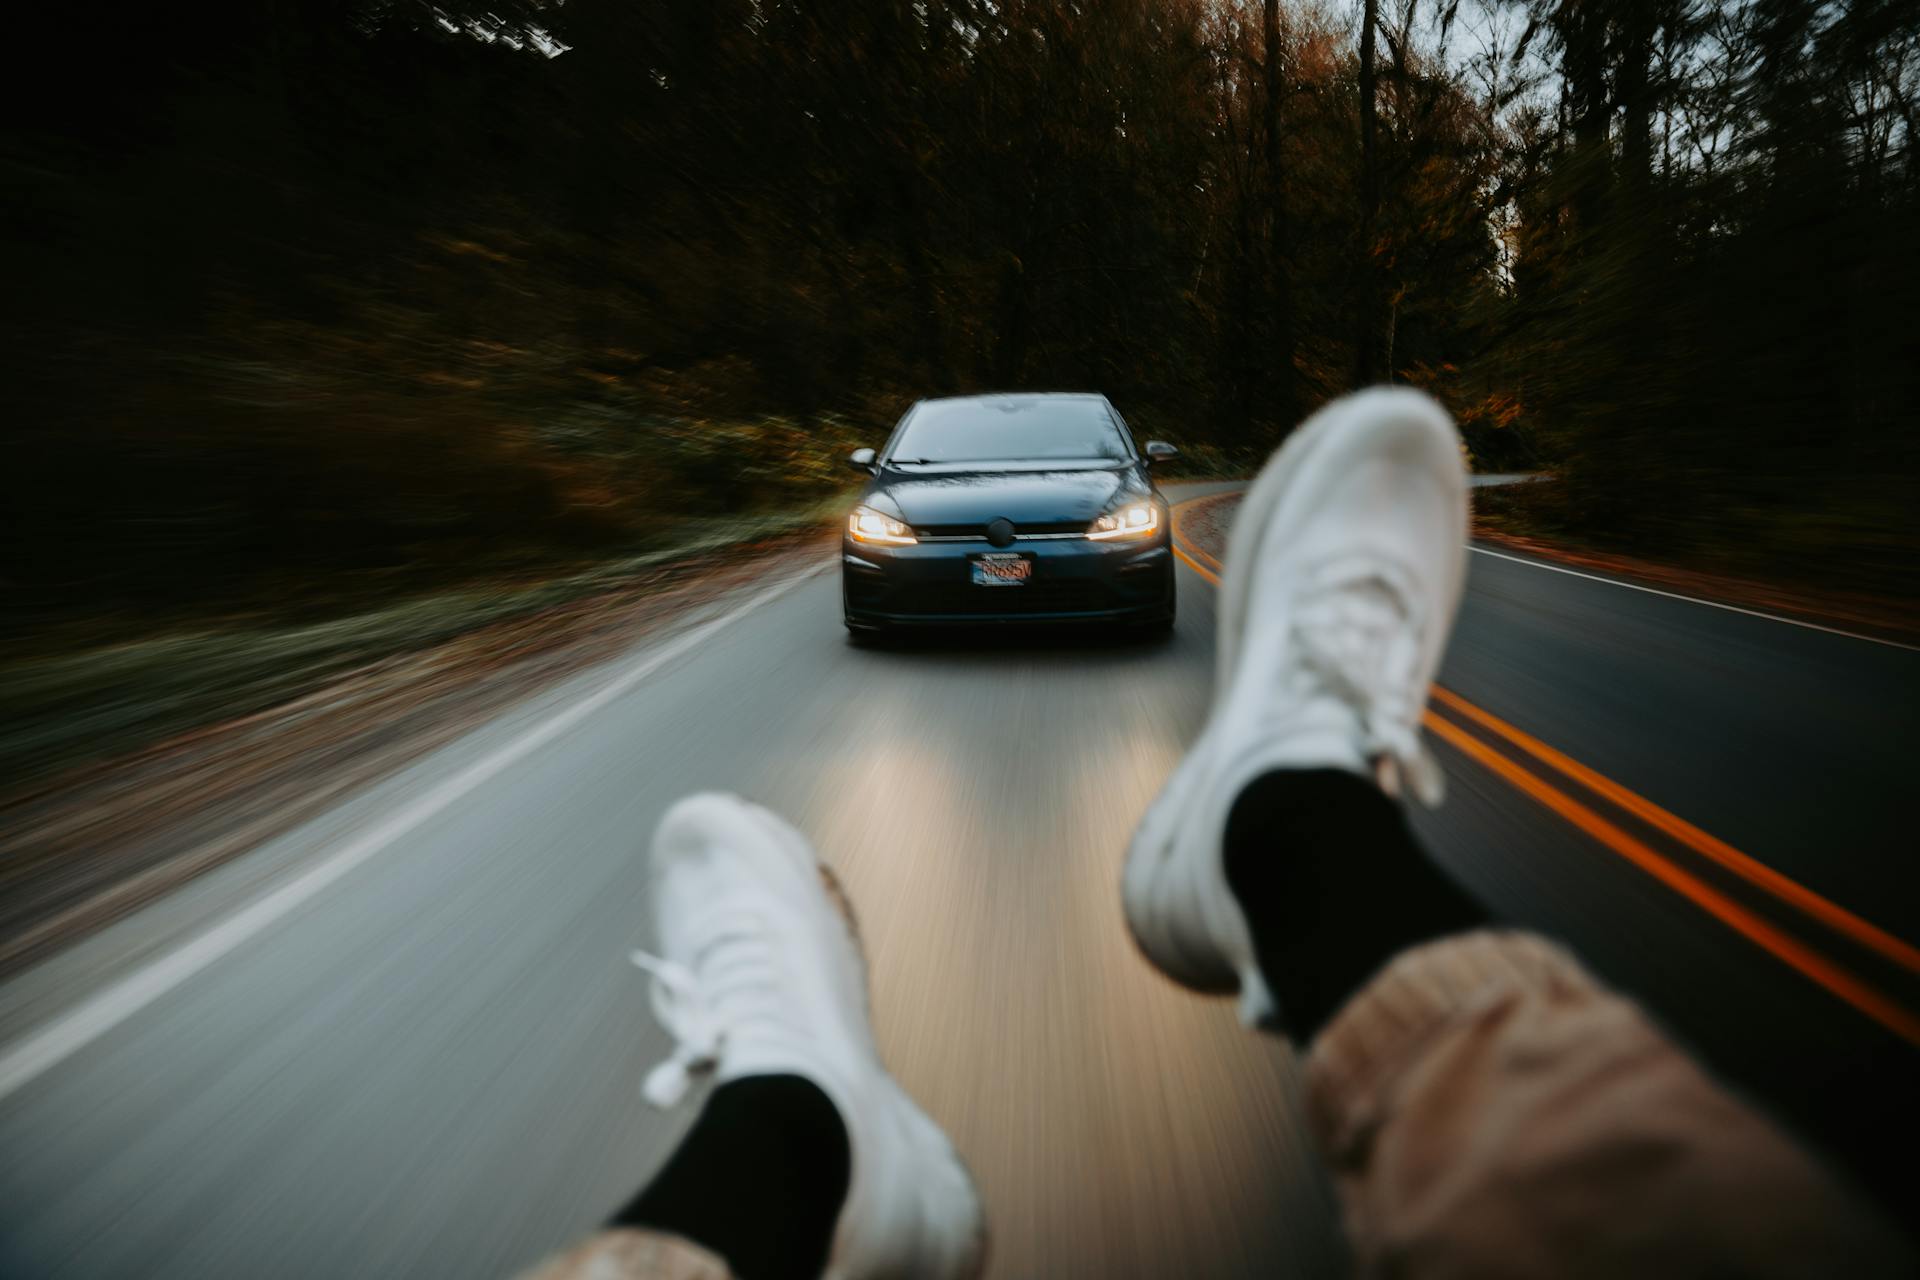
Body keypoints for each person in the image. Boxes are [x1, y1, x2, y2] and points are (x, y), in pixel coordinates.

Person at [524, 390, 1910, 1280]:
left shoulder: (1114, 472)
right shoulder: (897, 484)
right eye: (884, 491)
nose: (1001, 532)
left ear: (1148, 471)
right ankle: (1284, 817)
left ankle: (801, 1130)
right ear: (879, 472)